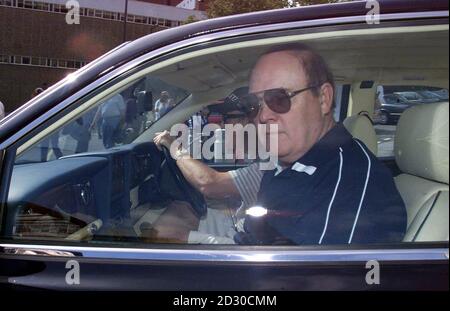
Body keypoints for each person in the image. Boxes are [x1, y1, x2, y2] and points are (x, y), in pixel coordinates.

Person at [153, 44, 407, 245]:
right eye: (255, 104)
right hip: (250, 236)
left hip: (248, 261)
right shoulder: (289, 160)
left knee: (163, 233)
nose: (263, 116)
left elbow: (308, 278)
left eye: (279, 98)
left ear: (324, 99)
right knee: (171, 217)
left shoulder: (350, 185)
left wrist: (175, 149)